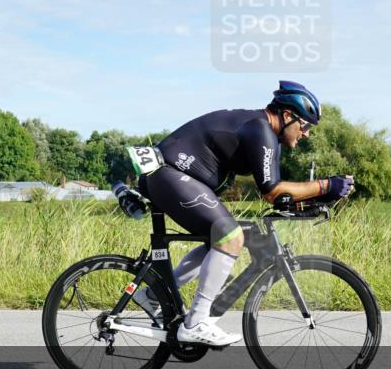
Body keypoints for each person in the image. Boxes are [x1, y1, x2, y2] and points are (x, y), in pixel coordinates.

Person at [133, 81, 355, 347]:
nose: (306, 133)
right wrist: (325, 186)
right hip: (170, 175)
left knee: (220, 239)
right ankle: (196, 323)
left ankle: (153, 296)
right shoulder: (261, 130)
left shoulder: (264, 132)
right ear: (287, 115)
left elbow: (279, 195)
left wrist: (317, 196)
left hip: (168, 176)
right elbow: (272, 191)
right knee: (231, 236)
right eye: (305, 125)